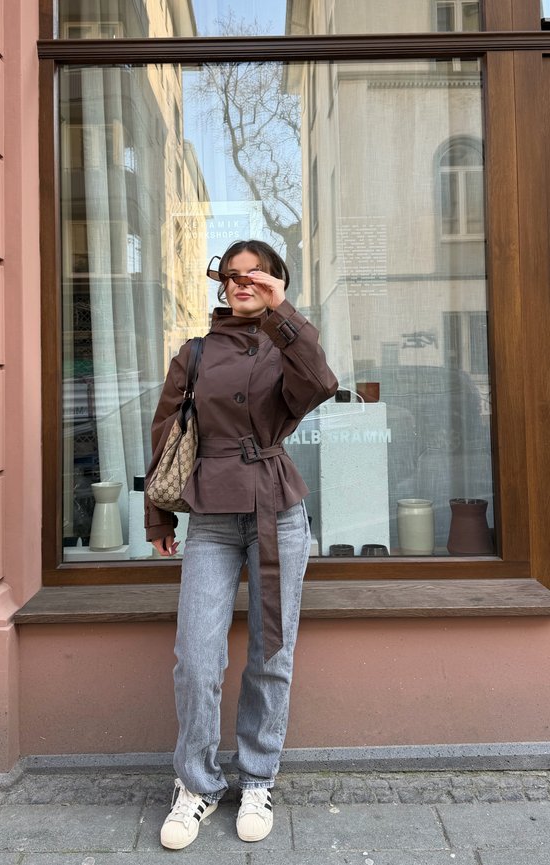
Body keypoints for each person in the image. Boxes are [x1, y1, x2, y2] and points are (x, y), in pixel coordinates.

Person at [144, 239, 338, 850]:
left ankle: (258, 778)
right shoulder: (196, 353)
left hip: (277, 512)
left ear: (278, 282)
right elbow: (166, 432)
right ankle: (198, 785)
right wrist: (158, 519)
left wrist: (285, 315)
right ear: (220, 285)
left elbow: (322, 384)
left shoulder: (290, 345)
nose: (242, 283)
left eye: (257, 275)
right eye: (231, 276)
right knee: (197, 659)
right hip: (211, 517)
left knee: (270, 655)